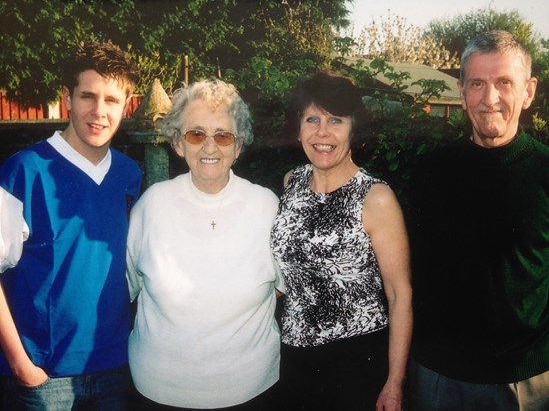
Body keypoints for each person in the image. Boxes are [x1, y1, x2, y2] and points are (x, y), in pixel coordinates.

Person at [407, 30, 549, 410]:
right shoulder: (428, 173)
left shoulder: (545, 172)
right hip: (436, 378)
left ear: (529, 91)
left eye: (505, 82)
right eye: (477, 84)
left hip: (526, 383)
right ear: (461, 90)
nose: (490, 99)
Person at [0, 41, 142, 410]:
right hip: (45, 378)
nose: (99, 112)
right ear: (67, 97)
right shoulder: (24, 171)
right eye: (87, 96)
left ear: (126, 105)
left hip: (115, 368)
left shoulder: (128, 175)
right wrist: (21, 365)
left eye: (111, 100)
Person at [126, 79, 282, 410]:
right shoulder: (152, 205)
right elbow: (129, 286)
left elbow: (283, 285)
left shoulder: (266, 206)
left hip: (252, 390)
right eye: (196, 134)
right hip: (159, 393)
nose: (209, 147)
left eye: (223, 135)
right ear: (178, 143)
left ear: (238, 146)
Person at [270, 71, 413, 410]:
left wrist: (394, 382)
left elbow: (400, 295)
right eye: (312, 119)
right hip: (293, 359)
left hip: (355, 363)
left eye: (336, 119)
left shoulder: (376, 199)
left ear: (354, 128)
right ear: (299, 127)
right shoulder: (291, 182)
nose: (322, 132)